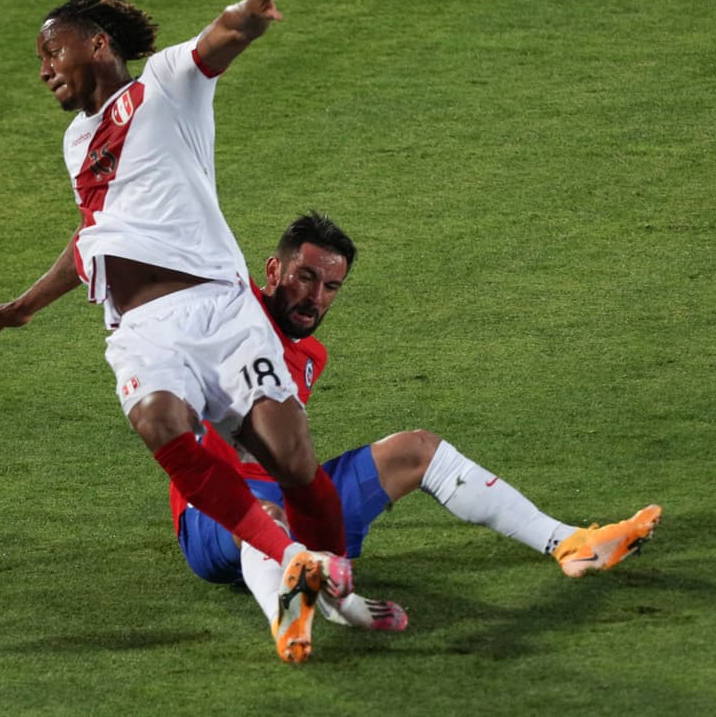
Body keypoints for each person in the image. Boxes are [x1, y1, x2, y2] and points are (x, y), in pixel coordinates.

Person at [0, 0, 348, 663]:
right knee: (158, 420)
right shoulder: (77, 143)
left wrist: (249, 20)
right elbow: (96, 240)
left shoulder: (164, 86)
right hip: (142, 327)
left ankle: (336, 579)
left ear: (98, 44)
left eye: (52, 51)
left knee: (294, 462)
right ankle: (288, 556)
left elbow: (213, 45)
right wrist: (24, 304)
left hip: (220, 309)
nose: (44, 69)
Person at [172, 212, 663, 635]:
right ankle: (289, 619)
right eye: (304, 277)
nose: (315, 296)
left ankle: (568, 544)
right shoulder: (232, 312)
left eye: (331, 286)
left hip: (293, 497)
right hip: (211, 514)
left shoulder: (311, 354)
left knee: (417, 449)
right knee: (266, 514)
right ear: (274, 270)